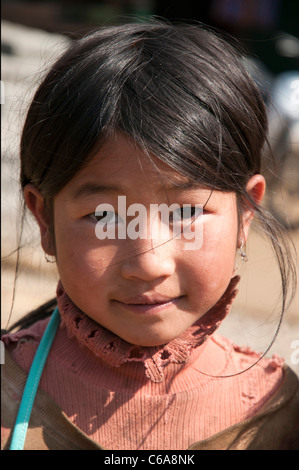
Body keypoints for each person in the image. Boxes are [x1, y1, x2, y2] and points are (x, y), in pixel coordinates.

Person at [1, 20, 298, 451]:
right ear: (43, 219)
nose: (147, 264)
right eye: (105, 216)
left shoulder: (278, 416)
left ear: (246, 212)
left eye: (186, 212)